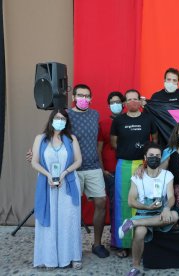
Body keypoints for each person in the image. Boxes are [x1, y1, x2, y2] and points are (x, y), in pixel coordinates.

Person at [31, 109, 82, 269]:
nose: (60, 121)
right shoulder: (40, 139)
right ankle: (50, 257)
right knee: (50, 220)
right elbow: (35, 162)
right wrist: (48, 175)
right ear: (51, 119)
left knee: (69, 220)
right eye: (57, 118)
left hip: (67, 183)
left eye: (63, 118)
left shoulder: (71, 138)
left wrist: (64, 173)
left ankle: (72, 256)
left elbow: (78, 160)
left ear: (66, 122)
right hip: (47, 184)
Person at [118, 142, 178, 276]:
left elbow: (171, 196)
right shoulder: (137, 176)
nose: (154, 158)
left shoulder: (167, 175)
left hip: (161, 212)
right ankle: (135, 266)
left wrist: (167, 208)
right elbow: (131, 201)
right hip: (144, 213)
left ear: (161, 157)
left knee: (174, 215)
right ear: (145, 157)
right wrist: (146, 206)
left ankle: (132, 223)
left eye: (157, 155)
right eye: (151, 155)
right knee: (139, 233)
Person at [110, 89, 158, 256]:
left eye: (135, 99)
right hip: (123, 165)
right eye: (128, 99)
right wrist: (128, 151)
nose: (132, 102)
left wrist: (145, 162)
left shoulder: (148, 118)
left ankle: (142, 243)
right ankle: (122, 244)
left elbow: (155, 141)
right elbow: (114, 142)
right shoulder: (118, 120)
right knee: (122, 203)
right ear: (125, 103)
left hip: (144, 166)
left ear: (140, 101)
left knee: (144, 202)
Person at [68, 84, 109, 258]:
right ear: (73, 97)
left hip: (93, 167)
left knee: (101, 202)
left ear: (91, 99)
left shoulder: (95, 115)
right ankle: (70, 247)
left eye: (87, 96)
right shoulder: (66, 115)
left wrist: (101, 165)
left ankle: (97, 244)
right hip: (72, 168)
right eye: (80, 95)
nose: (83, 99)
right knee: (70, 209)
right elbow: (51, 135)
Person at [97, 91, 125, 255]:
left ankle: (130, 239)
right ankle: (117, 242)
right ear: (108, 105)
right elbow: (99, 149)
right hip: (111, 171)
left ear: (123, 103)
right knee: (116, 206)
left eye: (118, 101)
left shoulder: (130, 120)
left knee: (129, 205)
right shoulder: (103, 124)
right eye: (112, 102)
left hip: (129, 168)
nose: (115, 104)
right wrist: (103, 170)